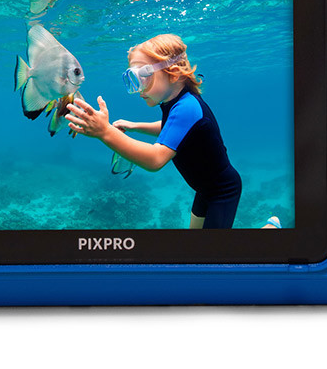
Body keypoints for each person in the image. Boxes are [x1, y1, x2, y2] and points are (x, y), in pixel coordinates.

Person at [65, 34, 242, 229]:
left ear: (174, 73)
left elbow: (155, 159)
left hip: (222, 191)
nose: (138, 88)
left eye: (144, 76)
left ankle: (267, 231)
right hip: (205, 189)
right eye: (133, 78)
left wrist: (104, 132)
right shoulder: (176, 103)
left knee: (213, 248)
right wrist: (135, 126)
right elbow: (173, 129)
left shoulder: (186, 107)